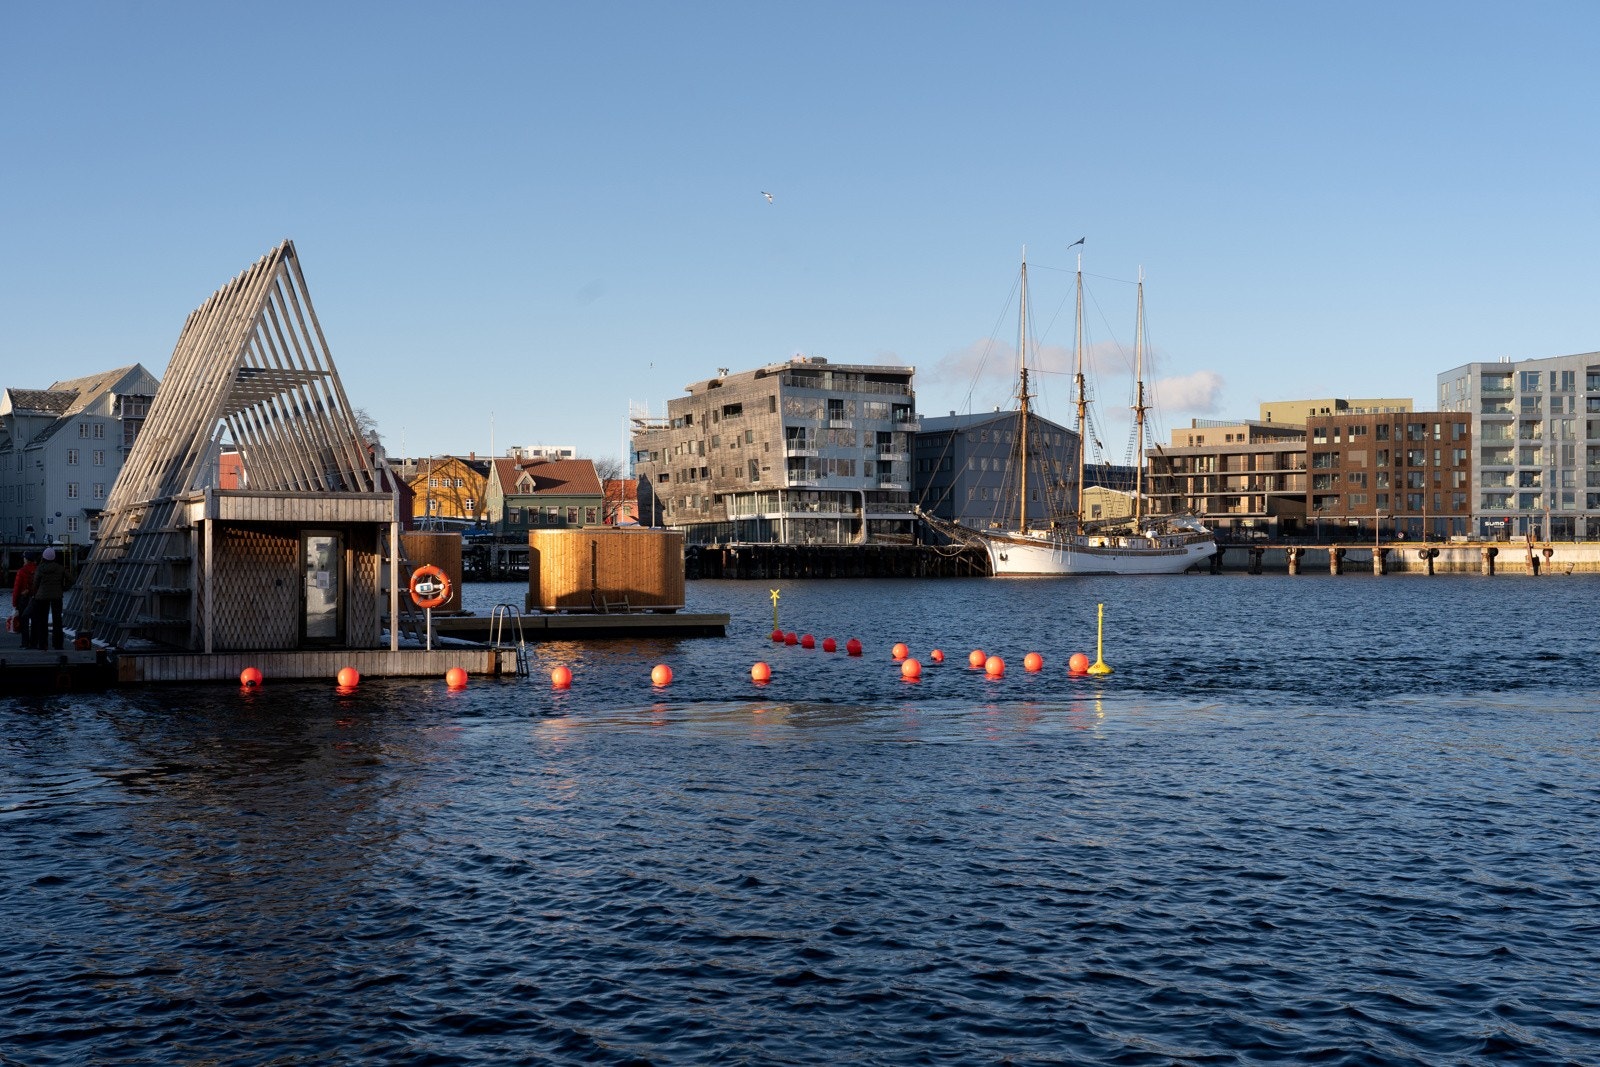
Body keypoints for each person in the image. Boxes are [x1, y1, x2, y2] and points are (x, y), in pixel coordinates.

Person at [27, 547, 68, 651]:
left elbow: (35, 583)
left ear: (44, 557)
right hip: (57, 596)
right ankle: (58, 644)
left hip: (41, 597)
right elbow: (71, 579)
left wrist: (34, 593)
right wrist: (64, 588)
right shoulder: (60, 568)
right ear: (54, 557)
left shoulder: (40, 568)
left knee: (42, 620)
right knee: (57, 621)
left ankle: (43, 644)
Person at [11, 550, 37, 648]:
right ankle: (34, 642)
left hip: (24, 599)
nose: (23, 559)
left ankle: (25, 643)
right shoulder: (38, 570)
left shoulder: (21, 571)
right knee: (35, 620)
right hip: (36, 598)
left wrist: (14, 603)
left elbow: (16, 589)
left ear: (27, 559)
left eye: (24, 558)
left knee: (24, 621)